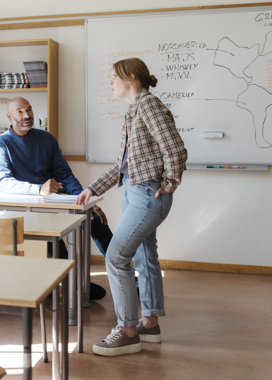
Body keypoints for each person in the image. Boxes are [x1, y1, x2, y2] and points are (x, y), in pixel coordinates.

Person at [77, 58, 187, 356]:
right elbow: (122, 166)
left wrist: (170, 182)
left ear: (131, 78)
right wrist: (92, 189)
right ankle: (148, 323)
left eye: (114, 77)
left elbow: (175, 148)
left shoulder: (148, 106)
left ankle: (126, 330)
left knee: (115, 257)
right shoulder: (134, 110)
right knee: (144, 255)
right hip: (136, 190)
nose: (110, 82)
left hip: (147, 194)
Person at [0, 97, 114, 300]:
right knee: (52, 235)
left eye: (29, 110)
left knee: (95, 220)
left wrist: (84, 200)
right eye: (20, 112)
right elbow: (4, 182)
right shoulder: (1, 144)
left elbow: (65, 174)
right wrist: (38, 189)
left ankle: (125, 275)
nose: (27, 115)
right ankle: (72, 282)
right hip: (24, 206)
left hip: (51, 202)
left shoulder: (46, 138)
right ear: (9, 116)